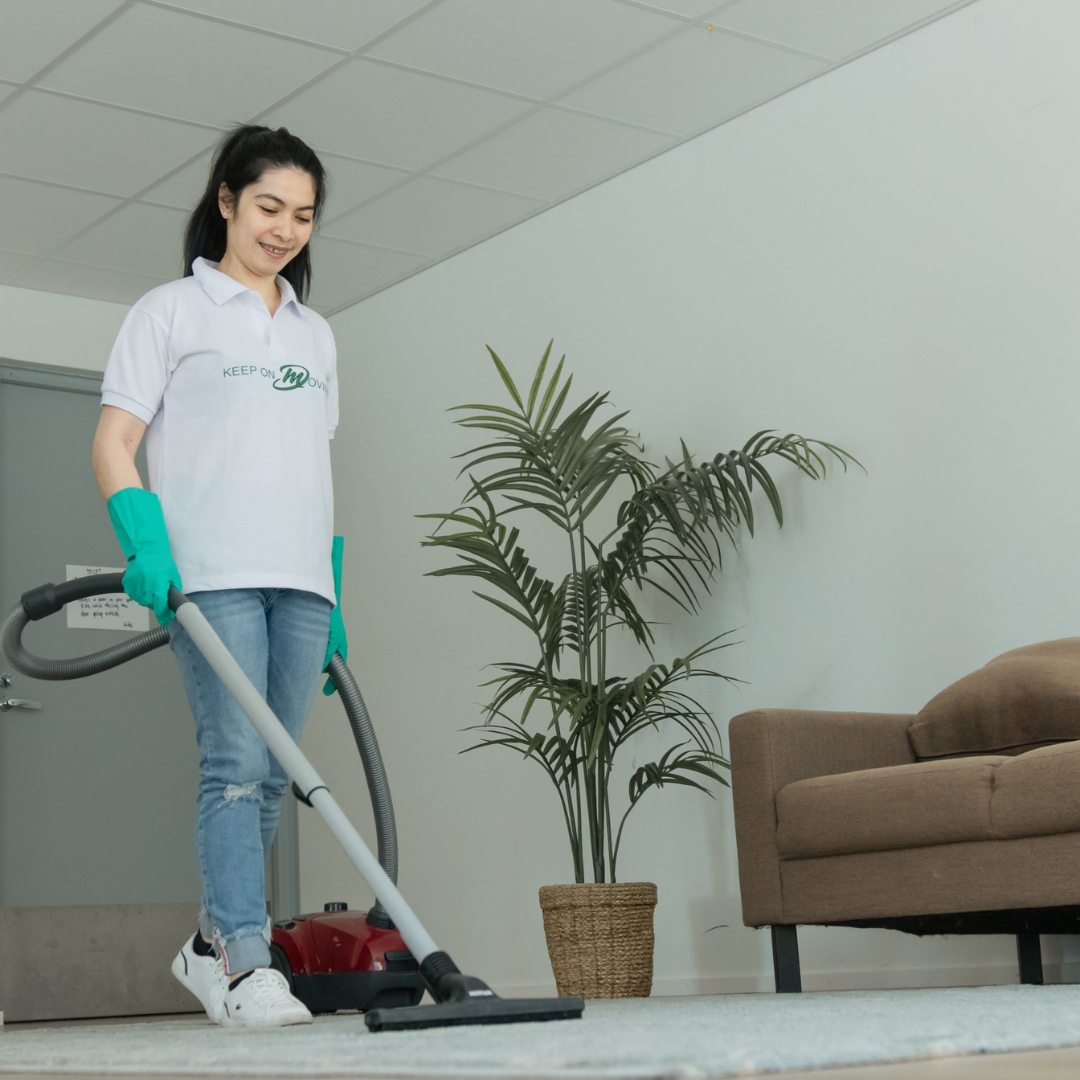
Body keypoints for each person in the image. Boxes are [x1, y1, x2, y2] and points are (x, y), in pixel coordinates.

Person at [90, 124, 347, 1028]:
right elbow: (116, 442)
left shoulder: (316, 335)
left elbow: (313, 465)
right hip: (214, 575)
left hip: (301, 581)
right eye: (269, 207)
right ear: (228, 202)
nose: (284, 229)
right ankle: (245, 962)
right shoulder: (170, 312)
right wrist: (145, 542)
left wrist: (334, 585)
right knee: (235, 766)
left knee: (275, 776)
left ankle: (209, 944)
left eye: (303, 215)